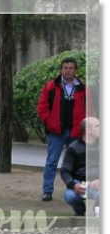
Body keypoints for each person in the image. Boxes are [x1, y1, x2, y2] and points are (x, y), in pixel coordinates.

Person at [37, 57, 90, 202]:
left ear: (75, 70)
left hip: (75, 131)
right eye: (65, 68)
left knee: (76, 163)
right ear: (61, 70)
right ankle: (47, 191)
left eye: (71, 68)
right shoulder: (51, 86)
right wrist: (49, 121)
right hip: (56, 131)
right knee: (51, 162)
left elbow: (89, 109)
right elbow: (42, 107)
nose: (68, 70)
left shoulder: (83, 88)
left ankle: (75, 190)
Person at [59, 117, 99, 216]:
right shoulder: (74, 148)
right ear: (88, 130)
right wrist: (74, 185)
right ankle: (80, 211)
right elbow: (65, 170)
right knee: (70, 196)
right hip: (80, 182)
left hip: (98, 182)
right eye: (97, 126)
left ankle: (98, 214)